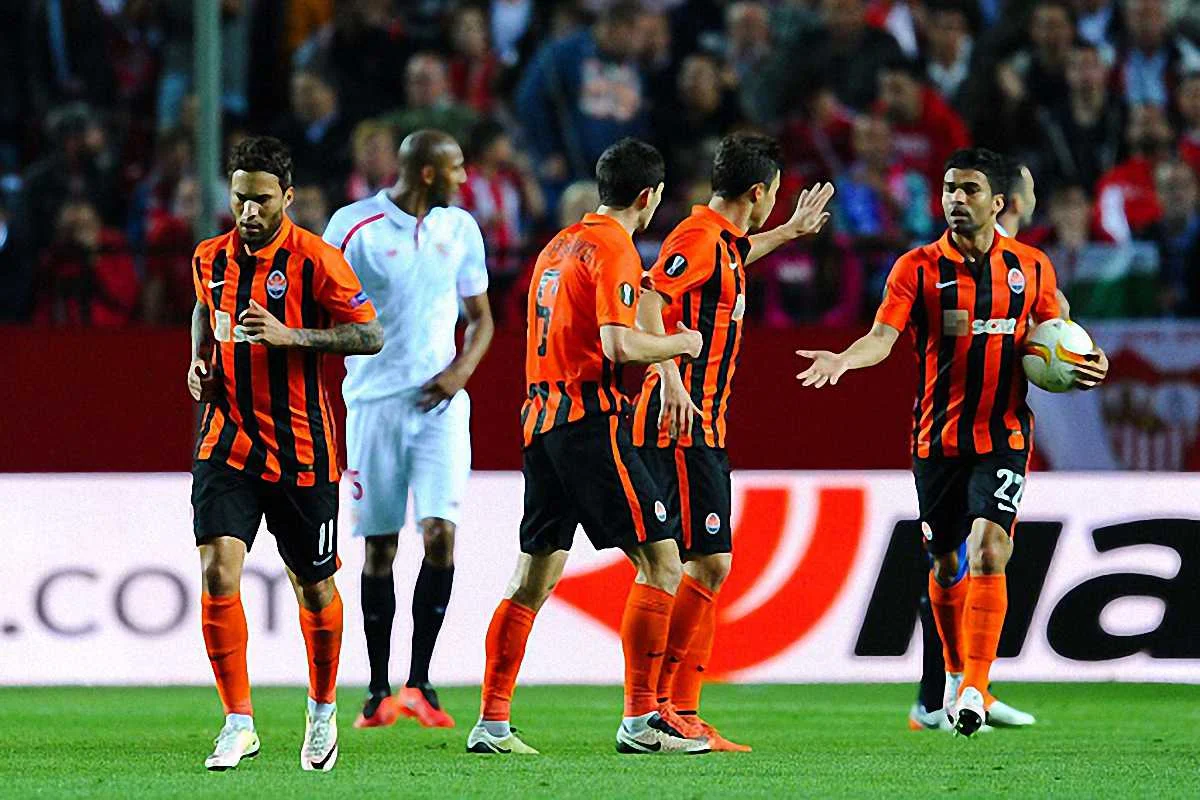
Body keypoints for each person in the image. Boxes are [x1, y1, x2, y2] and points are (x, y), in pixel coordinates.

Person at [796, 147, 1109, 737]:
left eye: (969, 190)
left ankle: (974, 689)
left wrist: (1092, 360)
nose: (956, 200)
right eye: (948, 189)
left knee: (991, 549)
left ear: (997, 202)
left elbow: (1062, 332)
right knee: (945, 564)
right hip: (936, 439)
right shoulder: (915, 268)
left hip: (1003, 433)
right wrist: (844, 359)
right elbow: (882, 338)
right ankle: (960, 675)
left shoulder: (1031, 267)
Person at [466, 138, 708, 756]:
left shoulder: (557, 245)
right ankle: (641, 721)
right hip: (588, 422)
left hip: (541, 423)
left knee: (534, 574)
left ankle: (492, 722)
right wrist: (682, 345)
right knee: (663, 562)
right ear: (649, 197)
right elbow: (619, 345)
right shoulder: (615, 248)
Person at [631, 134, 834, 751]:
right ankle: (658, 709)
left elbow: (742, 251)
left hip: (705, 427)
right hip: (678, 422)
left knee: (708, 564)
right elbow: (648, 300)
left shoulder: (723, 242)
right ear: (758, 191)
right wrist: (669, 377)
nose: (774, 205)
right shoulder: (696, 239)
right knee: (697, 563)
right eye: (774, 197)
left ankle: (677, 709)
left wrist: (790, 232)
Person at [187, 136, 384, 771]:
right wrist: (198, 361)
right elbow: (203, 310)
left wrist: (290, 335)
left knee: (314, 586)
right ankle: (237, 722)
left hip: (303, 449)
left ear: (288, 197)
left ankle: (322, 711)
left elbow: (370, 334)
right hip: (227, 439)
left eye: (262, 200)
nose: (248, 211)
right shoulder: (209, 256)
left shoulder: (316, 260)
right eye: (240, 198)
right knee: (218, 570)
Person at [323, 130, 495, 731]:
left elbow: (481, 319)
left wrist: (459, 373)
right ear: (427, 172)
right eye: (456, 167)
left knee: (440, 534)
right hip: (373, 405)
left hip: (440, 407)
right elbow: (321, 305)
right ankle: (377, 691)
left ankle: (420, 683)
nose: (464, 177)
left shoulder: (461, 229)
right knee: (380, 546)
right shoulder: (354, 228)